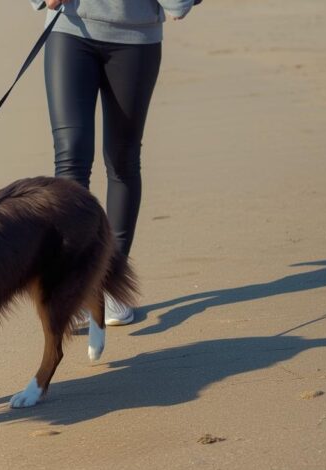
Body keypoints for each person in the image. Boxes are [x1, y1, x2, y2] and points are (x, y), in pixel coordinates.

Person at [32, 0, 194, 325]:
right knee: (71, 158)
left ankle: (109, 282)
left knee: (122, 159)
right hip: (70, 28)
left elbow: (179, 6)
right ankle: (74, 285)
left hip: (136, 39)